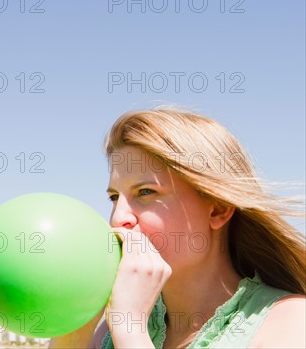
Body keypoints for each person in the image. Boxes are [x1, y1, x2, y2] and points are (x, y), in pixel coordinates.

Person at [49, 107, 305, 348]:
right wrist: (72, 333)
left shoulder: (290, 323)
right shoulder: (107, 333)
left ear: (218, 209)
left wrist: (131, 332)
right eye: (115, 197)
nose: (118, 219)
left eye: (145, 192)